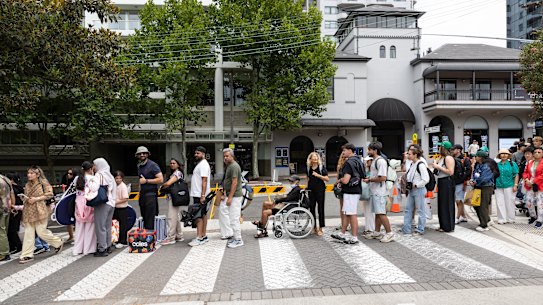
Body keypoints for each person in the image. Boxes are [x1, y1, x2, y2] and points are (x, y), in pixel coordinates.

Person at [19, 165, 64, 264]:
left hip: (40, 210)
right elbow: (28, 196)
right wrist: (25, 198)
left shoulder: (43, 183)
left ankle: (57, 242)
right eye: (28, 173)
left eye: (31, 173)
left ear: (37, 174)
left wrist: (36, 199)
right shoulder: (27, 185)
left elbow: (50, 194)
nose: (29, 175)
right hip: (28, 210)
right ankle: (27, 255)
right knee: (28, 234)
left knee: (41, 231)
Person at [332, 143, 364, 244]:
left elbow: (346, 180)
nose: (343, 152)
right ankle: (343, 233)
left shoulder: (349, 162)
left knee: (351, 214)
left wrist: (339, 180)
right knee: (346, 212)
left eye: (344, 150)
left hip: (350, 191)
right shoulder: (359, 160)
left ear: (350, 150)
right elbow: (363, 175)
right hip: (356, 189)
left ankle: (354, 237)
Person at [363, 142, 395, 243]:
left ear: (375, 150)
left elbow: (382, 177)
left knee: (381, 213)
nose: (368, 152)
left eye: (369, 150)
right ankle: (377, 232)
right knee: (378, 212)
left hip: (379, 192)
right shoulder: (375, 160)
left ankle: (389, 233)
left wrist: (370, 180)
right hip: (376, 191)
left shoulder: (380, 161)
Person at [400, 146, 430, 235]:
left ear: (415, 155)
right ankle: (406, 228)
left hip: (419, 189)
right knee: (408, 209)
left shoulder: (420, 164)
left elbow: (426, 179)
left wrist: (416, 184)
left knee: (421, 210)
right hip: (412, 190)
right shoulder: (413, 164)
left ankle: (420, 229)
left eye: (409, 154)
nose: (407, 155)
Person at [219, 148, 244, 248]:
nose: (225, 158)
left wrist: (229, 197)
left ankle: (238, 239)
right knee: (230, 216)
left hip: (235, 196)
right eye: (224, 156)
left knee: (234, 218)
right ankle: (234, 236)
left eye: (227, 156)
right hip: (231, 195)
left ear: (232, 156)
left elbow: (234, 182)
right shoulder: (229, 166)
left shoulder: (234, 166)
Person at [92, 158, 117, 257]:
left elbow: (94, 188)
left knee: (100, 226)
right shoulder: (110, 175)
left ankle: (102, 249)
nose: (93, 167)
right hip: (111, 203)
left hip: (102, 203)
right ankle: (108, 246)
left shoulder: (99, 175)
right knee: (107, 226)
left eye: (94, 165)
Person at [135, 146, 163, 230]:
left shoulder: (153, 165)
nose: (142, 155)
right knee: (144, 216)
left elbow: (160, 179)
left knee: (150, 217)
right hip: (143, 194)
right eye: (140, 154)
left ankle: (151, 238)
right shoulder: (139, 166)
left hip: (151, 194)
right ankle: (146, 236)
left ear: (147, 154)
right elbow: (141, 180)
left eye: (144, 153)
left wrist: (147, 181)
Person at [73, 162, 97, 256]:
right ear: (90, 169)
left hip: (78, 203)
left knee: (79, 228)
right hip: (88, 202)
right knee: (89, 228)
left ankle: (77, 249)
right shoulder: (92, 178)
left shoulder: (77, 178)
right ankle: (88, 249)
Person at [188, 146, 211, 246]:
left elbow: (204, 180)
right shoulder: (201, 164)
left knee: (198, 216)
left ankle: (199, 237)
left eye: (198, 153)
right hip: (199, 194)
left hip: (200, 194)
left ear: (203, 154)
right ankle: (203, 235)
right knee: (203, 215)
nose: (196, 155)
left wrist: (202, 195)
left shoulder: (203, 165)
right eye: (195, 153)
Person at [160, 159, 186, 245]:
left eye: (174, 163)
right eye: (170, 163)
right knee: (176, 217)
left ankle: (171, 238)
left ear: (178, 165)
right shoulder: (173, 173)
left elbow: (168, 183)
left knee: (171, 217)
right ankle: (179, 235)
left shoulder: (177, 173)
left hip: (174, 197)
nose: (172, 165)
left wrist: (161, 187)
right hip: (173, 197)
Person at [432, 141, 456, 232]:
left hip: (447, 181)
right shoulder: (442, 158)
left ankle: (448, 226)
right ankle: (443, 224)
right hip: (441, 181)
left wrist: (437, 166)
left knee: (447, 203)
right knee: (442, 204)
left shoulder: (448, 158)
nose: (438, 149)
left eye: (440, 147)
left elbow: (450, 172)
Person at [470, 149, 495, 232]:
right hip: (478, 186)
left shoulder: (487, 166)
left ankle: (484, 225)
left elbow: (484, 178)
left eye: (476, 156)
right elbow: (474, 174)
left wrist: (475, 182)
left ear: (480, 157)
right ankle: (487, 219)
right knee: (475, 204)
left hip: (486, 187)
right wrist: (472, 180)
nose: (474, 157)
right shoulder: (478, 164)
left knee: (483, 206)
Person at [305, 152, 329, 236]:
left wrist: (318, 175)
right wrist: (306, 187)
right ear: (310, 159)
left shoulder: (321, 167)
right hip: (311, 191)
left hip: (320, 190)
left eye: (316, 157)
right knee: (312, 209)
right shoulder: (308, 168)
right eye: (313, 157)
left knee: (320, 209)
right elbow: (308, 179)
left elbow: (327, 179)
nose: (315, 159)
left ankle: (321, 228)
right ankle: (314, 227)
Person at [495, 149, 519, 224]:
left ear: (508, 155)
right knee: (500, 202)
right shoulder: (497, 164)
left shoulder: (512, 164)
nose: (504, 155)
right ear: (499, 155)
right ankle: (502, 219)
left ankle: (511, 218)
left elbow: (516, 175)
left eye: (506, 154)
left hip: (509, 185)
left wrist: (515, 185)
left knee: (510, 202)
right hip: (498, 185)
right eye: (502, 154)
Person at [523, 146, 543, 227]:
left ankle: (540, 220)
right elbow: (525, 172)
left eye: (539, 152)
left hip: (540, 185)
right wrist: (526, 180)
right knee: (528, 202)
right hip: (529, 184)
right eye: (535, 152)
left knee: (540, 203)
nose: (537, 154)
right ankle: (533, 216)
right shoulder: (530, 162)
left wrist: (533, 181)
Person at [452, 144, 471, 224]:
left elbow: (468, 171)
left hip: (461, 182)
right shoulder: (452, 158)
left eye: (454, 149)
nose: (452, 151)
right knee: (458, 200)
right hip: (454, 182)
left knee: (459, 200)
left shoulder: (465, 159)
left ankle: (457, 217)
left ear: (458, 150)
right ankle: (463, 216)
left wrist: (464, 180)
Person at [6, 172, 23, 254]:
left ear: (11, 179)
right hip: (19, 209)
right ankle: (14, 246)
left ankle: (17, 246)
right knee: (13, 229)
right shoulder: (20, 187)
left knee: (11, 230)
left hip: (14, 209)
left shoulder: (11, 188)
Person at [113, 170, 129, 248]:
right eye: (116, 178)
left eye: (119, 178)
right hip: (116, 208)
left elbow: (125, 198)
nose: (118, 180)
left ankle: (123, 241)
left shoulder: (123, 186)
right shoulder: (114, 186)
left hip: (122, 208)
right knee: (116, 225)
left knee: (123, 226)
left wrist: (115, 202)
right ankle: (117, 240)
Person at [0, 174, 13, 261]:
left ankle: (4, 253)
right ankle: (5, 252)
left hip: (1, 208)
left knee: (1, 232)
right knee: (4, 231)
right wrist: (12, 206)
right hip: (6, 208)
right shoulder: (6, 179)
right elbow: (12, 195)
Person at [61, 168, 75, 243]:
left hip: (75, 203)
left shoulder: (76, 182)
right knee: (68, 220)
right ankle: (71, 236)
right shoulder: (67, 182)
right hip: (69, 203)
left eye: (71, 174)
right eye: (68, 173)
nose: (68, 175)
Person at [361, 156, 375, 235]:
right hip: (366, 192)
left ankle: (371, 228)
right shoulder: (367, 170)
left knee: (371, 211)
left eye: (368, 161)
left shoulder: (373, 170)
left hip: (371, 192)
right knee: (366, 211)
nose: (367, 162)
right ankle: (368, 227)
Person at [335, 152, 348, 231]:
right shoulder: (339, 166)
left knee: (347, 206)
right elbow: (337, 177)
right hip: (341, 187)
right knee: (342, 206)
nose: (344, 157)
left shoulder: (349, 164)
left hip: (348, 186)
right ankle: (343, 222)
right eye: (342, 155)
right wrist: (338, 183)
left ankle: (347, 223)